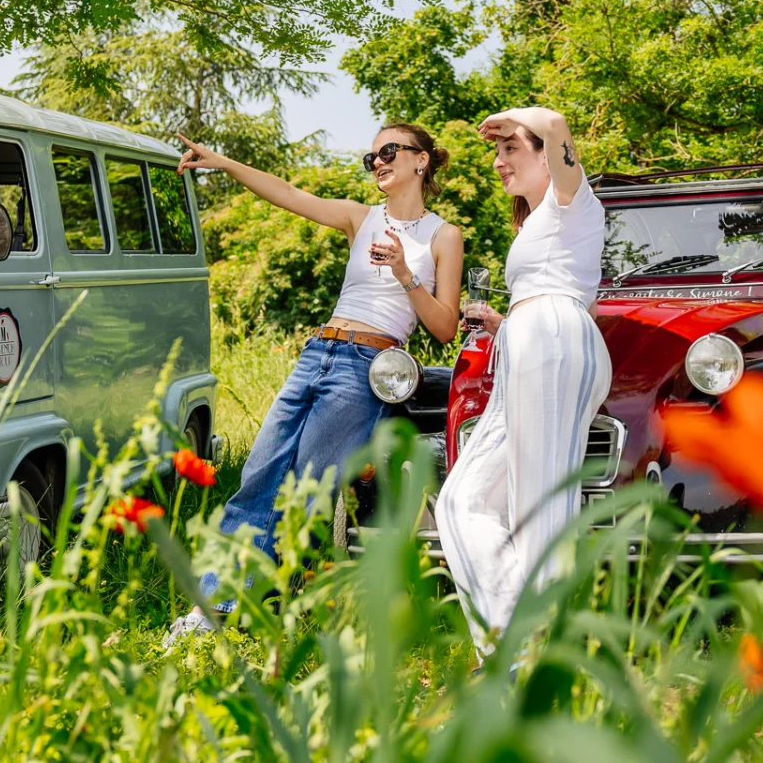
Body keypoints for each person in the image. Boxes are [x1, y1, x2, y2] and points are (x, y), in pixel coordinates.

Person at [167, 125, 465, 641]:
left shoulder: (443, 236)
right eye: (372, 154)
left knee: (303, 491)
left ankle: (253, 607)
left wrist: (403, 273)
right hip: (317, 354)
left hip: (367, 368)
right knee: (259, 474)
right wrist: (223, 162)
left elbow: (444, 327)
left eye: (389, 151)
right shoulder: (360, 217)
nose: (378, 161)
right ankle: (211, 607)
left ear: (421, 161)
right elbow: (287, 194)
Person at [434, 105, 610, 654]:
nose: (498, 162)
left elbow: (556, 122)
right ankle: (521, 647)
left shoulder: (574, 201)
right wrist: (502, 323)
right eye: (498, 151)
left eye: (511, 149)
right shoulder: (538, 221)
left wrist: (510, 117)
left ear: (543, 155)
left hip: (552, 339)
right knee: (461, 502)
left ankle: (537, 668)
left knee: (540, 512)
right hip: (530, 342)